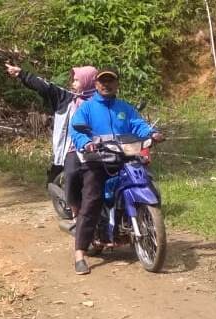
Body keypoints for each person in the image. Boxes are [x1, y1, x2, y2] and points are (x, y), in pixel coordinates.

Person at [69, 67, 162, 275]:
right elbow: (76, 129)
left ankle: (138, 225)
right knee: (92, 200)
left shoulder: (124, 108)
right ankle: (79, 254)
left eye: (111, 81)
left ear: (117, 84)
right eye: (102, 81)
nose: (106, 84)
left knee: (148, 183)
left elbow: (138, 125)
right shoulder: (87, 108)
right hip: (97, 161)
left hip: (124, 157)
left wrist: (152, 133)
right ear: (96, 84)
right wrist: (86, 143)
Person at [5, 63, 97, 217]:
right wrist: (22, 74)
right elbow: (45, 86)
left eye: (77, 80)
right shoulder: (66, 98)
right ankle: (76, 213)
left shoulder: (102, 101)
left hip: (100, 148)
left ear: (89, 81)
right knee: (72, 173)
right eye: (73, 80)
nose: (73, 83)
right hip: (71, 148)